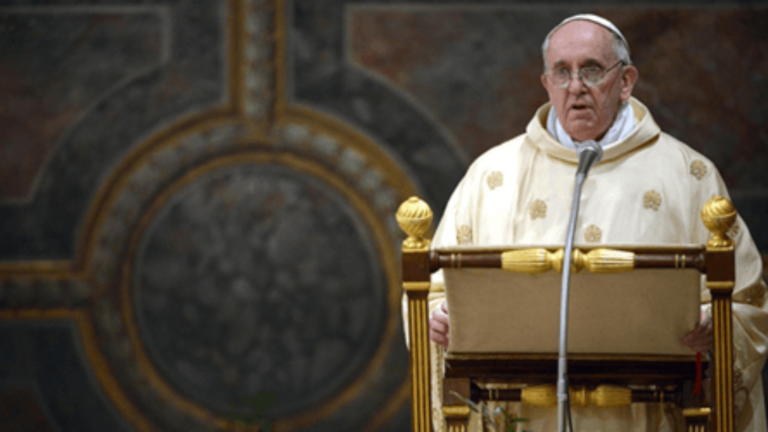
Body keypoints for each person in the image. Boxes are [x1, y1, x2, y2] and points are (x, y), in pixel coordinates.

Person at [420, 14, 768, 432]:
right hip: (524, 414)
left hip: (647, 414)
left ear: (626, 82)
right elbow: (435, 290)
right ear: (546, 83)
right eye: (561, 73)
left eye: (591, 70)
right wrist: (439, 317)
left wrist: (718, 324)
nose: (576, 86)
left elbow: (747, 300)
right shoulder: (492, 176)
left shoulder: (689, 175)